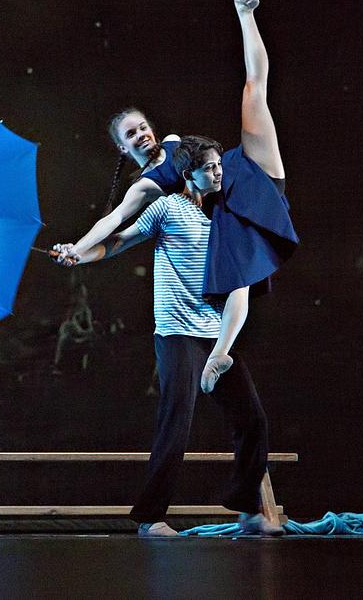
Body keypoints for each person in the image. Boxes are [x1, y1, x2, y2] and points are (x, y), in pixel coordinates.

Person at [52, 0, 297, 393]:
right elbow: (114, 226)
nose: (142, 135)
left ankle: (245, 12)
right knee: (236, 276)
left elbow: (199, 156)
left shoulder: (171, 141)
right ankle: (220, 354)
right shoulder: (146, 186)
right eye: (131, 135)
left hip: (239, 174)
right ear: (122, 148)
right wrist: (77, 249)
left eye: (142, 126)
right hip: (230, 215)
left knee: (254, 92)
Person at [65, 136, 284, 537]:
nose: (218, 173)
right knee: (176, 420)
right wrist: (80, 253)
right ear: (189, 174)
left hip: (215, 337)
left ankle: (248, 511)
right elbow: (120, 240)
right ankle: (150, 518)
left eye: (220, 166)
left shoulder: (224, 217)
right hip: (177, 334)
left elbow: (239, 282)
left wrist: (221, 350)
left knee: (252, 419)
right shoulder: (167, 208)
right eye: (209, 168)